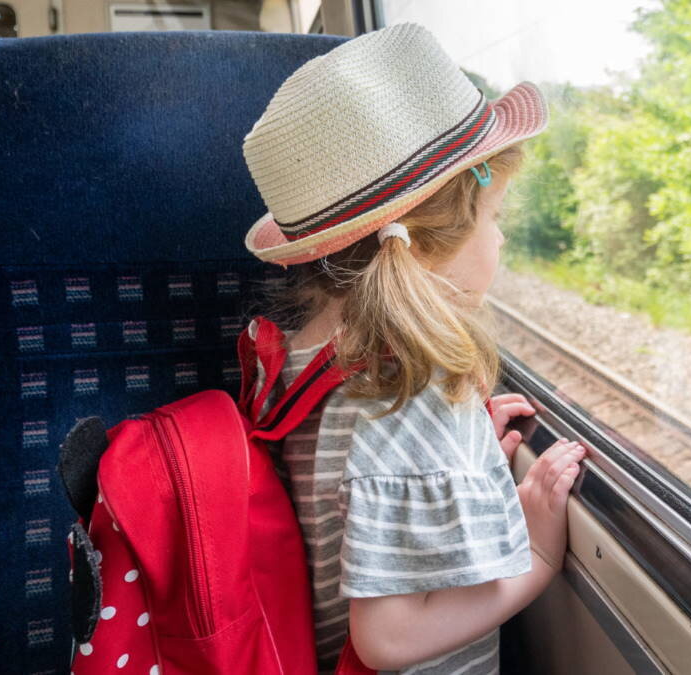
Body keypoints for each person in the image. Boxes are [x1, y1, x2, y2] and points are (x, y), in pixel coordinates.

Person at [238, 22, 585, 674]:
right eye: (496, 215)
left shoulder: (311, 358)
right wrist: (536, 558)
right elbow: (387, 637)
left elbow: (353, 494)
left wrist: (461, 469)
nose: (503, 240)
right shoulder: (411, 390)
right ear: (427, 241)